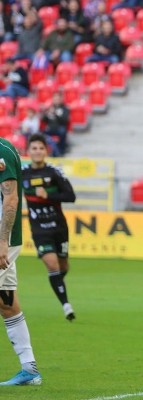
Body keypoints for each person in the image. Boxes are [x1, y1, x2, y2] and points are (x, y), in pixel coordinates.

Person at [0, 134, 41, 385]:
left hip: (3, 239)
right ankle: (30, 368)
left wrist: (2, 241)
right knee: (6, 302)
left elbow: (11, 197)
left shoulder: (2, 150)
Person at [21, 133, 76, 321]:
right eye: (34, 148)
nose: (37, 151)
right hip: (39, 229)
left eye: (40, 148)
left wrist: (48, 196)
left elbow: (71, 196)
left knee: (63, 265)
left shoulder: (55, 172)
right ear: (28, 151)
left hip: (59, 227)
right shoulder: (23, 174)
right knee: (51, 264)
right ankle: (66, 306)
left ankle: (57, 281)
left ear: (46, 151)